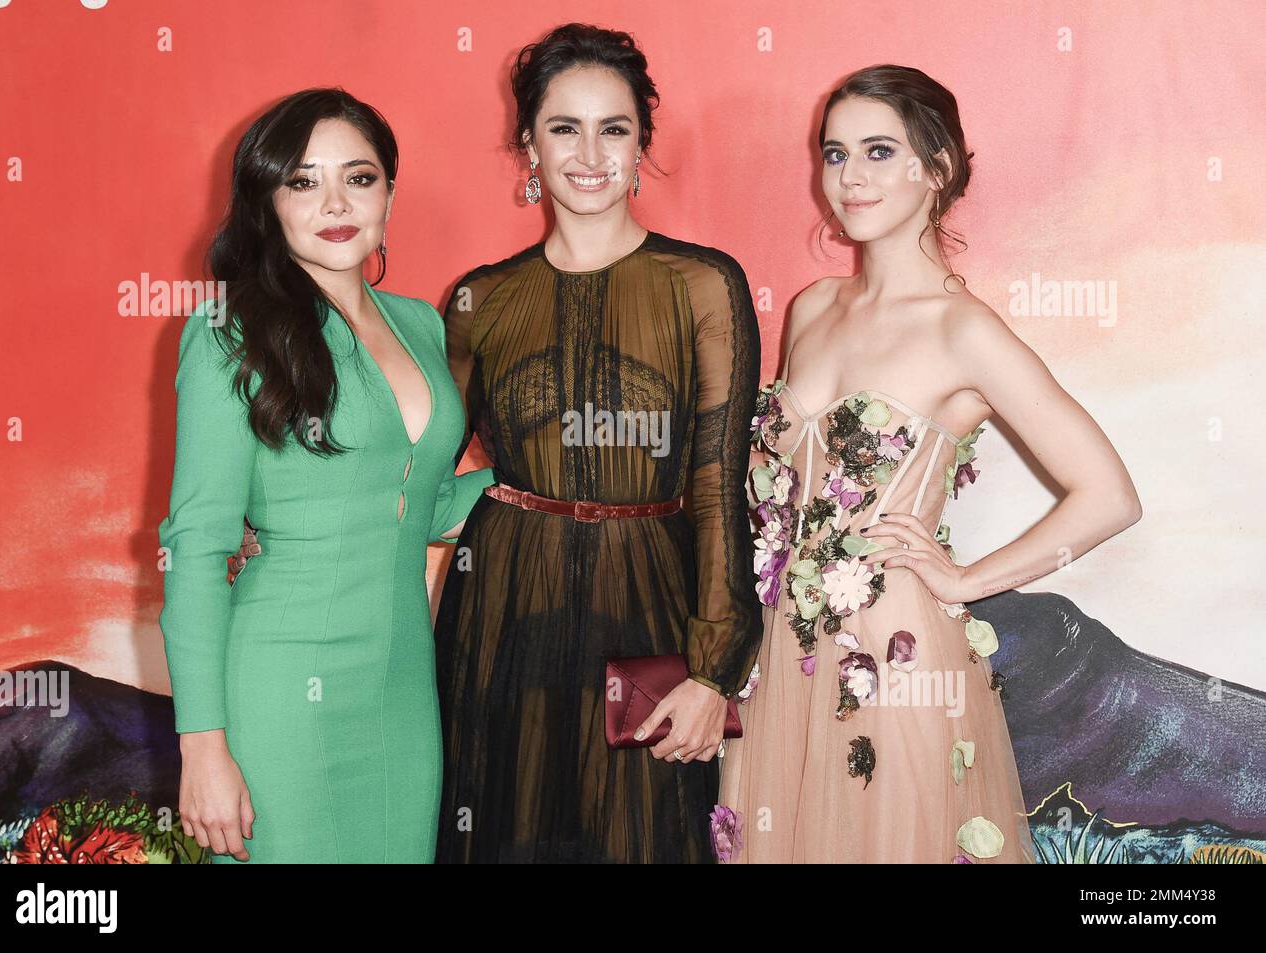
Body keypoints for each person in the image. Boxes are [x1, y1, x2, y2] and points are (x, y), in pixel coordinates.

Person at [716, 64, 1142, 863]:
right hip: (780, 655)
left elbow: (1109, 494)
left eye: (879, 151)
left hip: (899, 656)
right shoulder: (810, 308)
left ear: (936, 168)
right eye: (834, 153)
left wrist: (964, 579)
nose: (848, 176)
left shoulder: (964, 330)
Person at [431, 23, 764, 862]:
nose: (589, 153)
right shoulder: (479, 300)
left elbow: (720, 483)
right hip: (503, 606)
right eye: (563, 127)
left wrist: (714, 666)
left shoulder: (704, 285)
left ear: (642, 143)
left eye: (614, 128)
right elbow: (419, 470)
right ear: (527, 147)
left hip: (648, 604)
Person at [158, 87, 494, 863]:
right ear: (266, 199)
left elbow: (420, 500)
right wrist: (203, 747)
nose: (335, 202)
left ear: (389, 193)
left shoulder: (421, 322)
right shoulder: (228, 332)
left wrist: (540, 482)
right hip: (281, 682)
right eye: (303, 181)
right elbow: (198, 545)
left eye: (360, 177)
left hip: (404, 685)